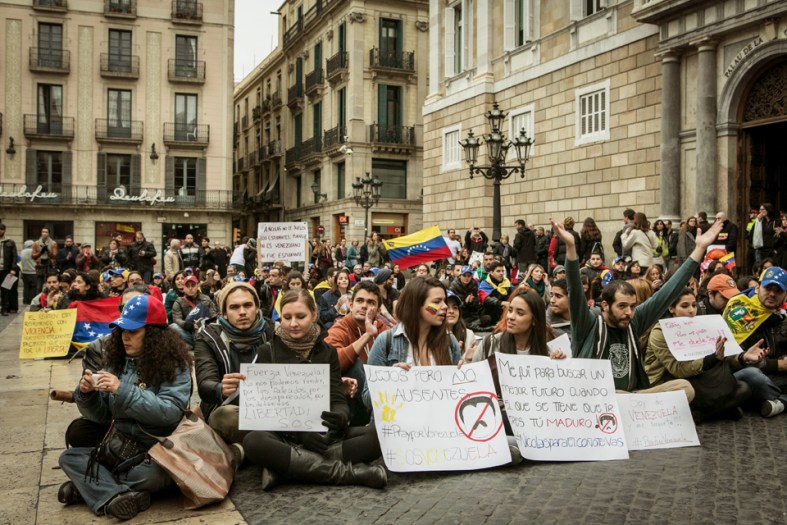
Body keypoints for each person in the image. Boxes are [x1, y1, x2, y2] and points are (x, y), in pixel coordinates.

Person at [552, 215, 724, 399]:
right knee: (614, 395)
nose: (629, 312)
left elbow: (668, 292)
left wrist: (699, 249)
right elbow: (575, 289)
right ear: (605, 306)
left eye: (633, 306)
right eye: (622, 306)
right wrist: (570, 247)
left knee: (685, 388)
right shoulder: (588, 324)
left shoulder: (633, 322)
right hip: (597, 401)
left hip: (633, 398)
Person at [56, 295, 193, 520]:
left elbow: (170, 413)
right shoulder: (116, 360)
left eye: (132, 332)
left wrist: (123, 390)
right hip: (116, 448)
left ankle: (92, 489)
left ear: (153, 335)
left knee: (150, 477)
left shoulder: (175, 365)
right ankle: (117, 495)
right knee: (69, 457)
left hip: (152, 452)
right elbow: (100, 416)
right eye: (122, 331)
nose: (124, 338)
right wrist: (87, 395)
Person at [242, 289, 386, 490]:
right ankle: (348, 474)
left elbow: (337, 395)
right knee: (253, 441)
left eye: (300, 316)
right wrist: (300, 432)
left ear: (314, 315)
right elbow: (263, 410)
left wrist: (340, 415)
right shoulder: (268, 352)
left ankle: (287, 468)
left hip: (324, 435)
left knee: (378, 435)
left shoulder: (327, 351)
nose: (293, 323)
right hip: (285, 436)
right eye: (287, 317)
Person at [645, 288, 765, 421]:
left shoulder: (702, 325)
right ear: (671, 308)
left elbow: (724, 359)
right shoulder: (660, 332)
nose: (691, 310)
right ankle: (718, 410)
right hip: (670, 379)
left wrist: (743, 357)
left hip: (700, 376)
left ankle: (704, 413)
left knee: (744, 388)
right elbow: (677, 370)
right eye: (685, 306)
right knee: (687, 387)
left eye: (694, 305)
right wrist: (711, 360)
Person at [363, 276, 462, 408]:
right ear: (416, 305)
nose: (445, 307)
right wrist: (389, 380)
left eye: (444, 301)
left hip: (438, 424)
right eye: (437, 301)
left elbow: (458, 395)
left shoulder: (450, 341)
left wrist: (462, 378)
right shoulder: (385, 342)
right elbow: (367, 399)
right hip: (398, 426)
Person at [195, 281, 273, 445]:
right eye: (234, 307)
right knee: (225, 417)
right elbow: (204, 384)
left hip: (270, 407)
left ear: (257, 307)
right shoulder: (208, 338)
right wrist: (219, 389)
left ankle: (248, 450)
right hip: (232, 409)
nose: (242, 312)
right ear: (224, 312)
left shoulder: (273, 331)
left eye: (248, 305)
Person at [724, 267, 787, 417]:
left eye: (778, 291)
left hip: (774, 376)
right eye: (768, 288)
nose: (772, 294)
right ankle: (782, 400)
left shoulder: (783, 315)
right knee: (752, 375)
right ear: (758, 288)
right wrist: (776, 364)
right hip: (742, 372)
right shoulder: (739, 307)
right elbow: (730, 359)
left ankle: (776, 402)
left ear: (785, 294)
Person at [326, 281, 388, 425]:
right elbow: (331, 362)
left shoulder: (385, 330)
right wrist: (367, 336)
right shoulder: (340, 328)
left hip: (383, 397)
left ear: (378, 311)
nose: (364, 306)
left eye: (371, 302)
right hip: (354, 403)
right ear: (351, 305)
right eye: (360, 301)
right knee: (354, 364)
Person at [170, 275, 218, 347]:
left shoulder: (206, 299)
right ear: (184, 288)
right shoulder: (179, 301)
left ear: (197, 286)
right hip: (189, 332)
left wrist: (207, 322)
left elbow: (214, 315)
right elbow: (177, 319)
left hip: (206, 330)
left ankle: (197, 344)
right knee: (173, 326)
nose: (190, 288)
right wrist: (188, 325)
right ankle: (197, 344)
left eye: (193, 285)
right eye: (187, 286)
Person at [445, 291, 476, 361]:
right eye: (446, 308)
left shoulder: (468, 334)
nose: (451, 311)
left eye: (455, 307)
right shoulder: (432, 336)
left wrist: (466, 358)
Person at [478, 261, 512, 325]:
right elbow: (485, 299)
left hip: (502, 311)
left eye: (502, 271)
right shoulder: (484, 283)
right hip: (488, 312)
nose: (501, 273)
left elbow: (514, 293)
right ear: (491, 272)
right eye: (498, 271)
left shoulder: (506, 282)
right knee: (486, 319)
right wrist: (501, 303)